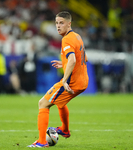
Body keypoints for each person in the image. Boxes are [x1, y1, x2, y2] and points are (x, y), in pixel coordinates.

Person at [28, 11, 89, 147]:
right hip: (83, 81)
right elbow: (84, 58)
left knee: (43, 103)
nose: (58, 26)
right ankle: (65, 130)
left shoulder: (66, 39)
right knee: (60, 102)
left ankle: (42, 142)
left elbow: (73, 59)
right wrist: (65, 63)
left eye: (61, 23)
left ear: (69, 23)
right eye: (56, 23)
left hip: (73, 82)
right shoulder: (77, 36)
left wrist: (64, 80)